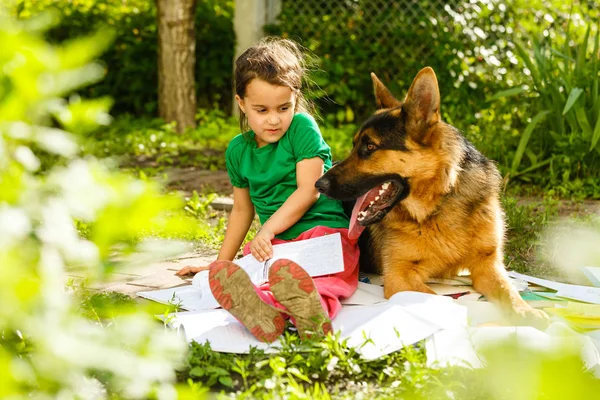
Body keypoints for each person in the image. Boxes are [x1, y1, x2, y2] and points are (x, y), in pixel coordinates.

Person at [176, 37, 359, 343]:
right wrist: (221, 263)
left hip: (323, 232)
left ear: (295, 99)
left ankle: (313, 316)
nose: (274, 119)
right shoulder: (238, 150)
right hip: (277, 246)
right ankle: (266, 313)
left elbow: (308, 191)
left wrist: (267, 230)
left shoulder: (302, 128)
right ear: (241, 104)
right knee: (266, 276)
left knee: (324, 278)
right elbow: (242, 210)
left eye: (283, 107)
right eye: (261, 110)